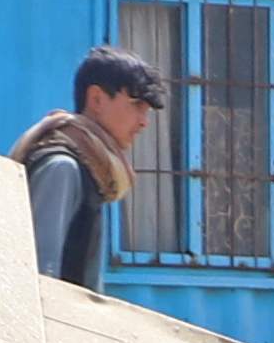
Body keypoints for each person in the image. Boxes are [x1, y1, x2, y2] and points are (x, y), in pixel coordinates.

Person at [14, 46, 165, 291]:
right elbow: (40, 277)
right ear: (96, 99)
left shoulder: (92, 170)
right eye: (136, 105)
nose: (143, 122)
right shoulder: (62, 168)